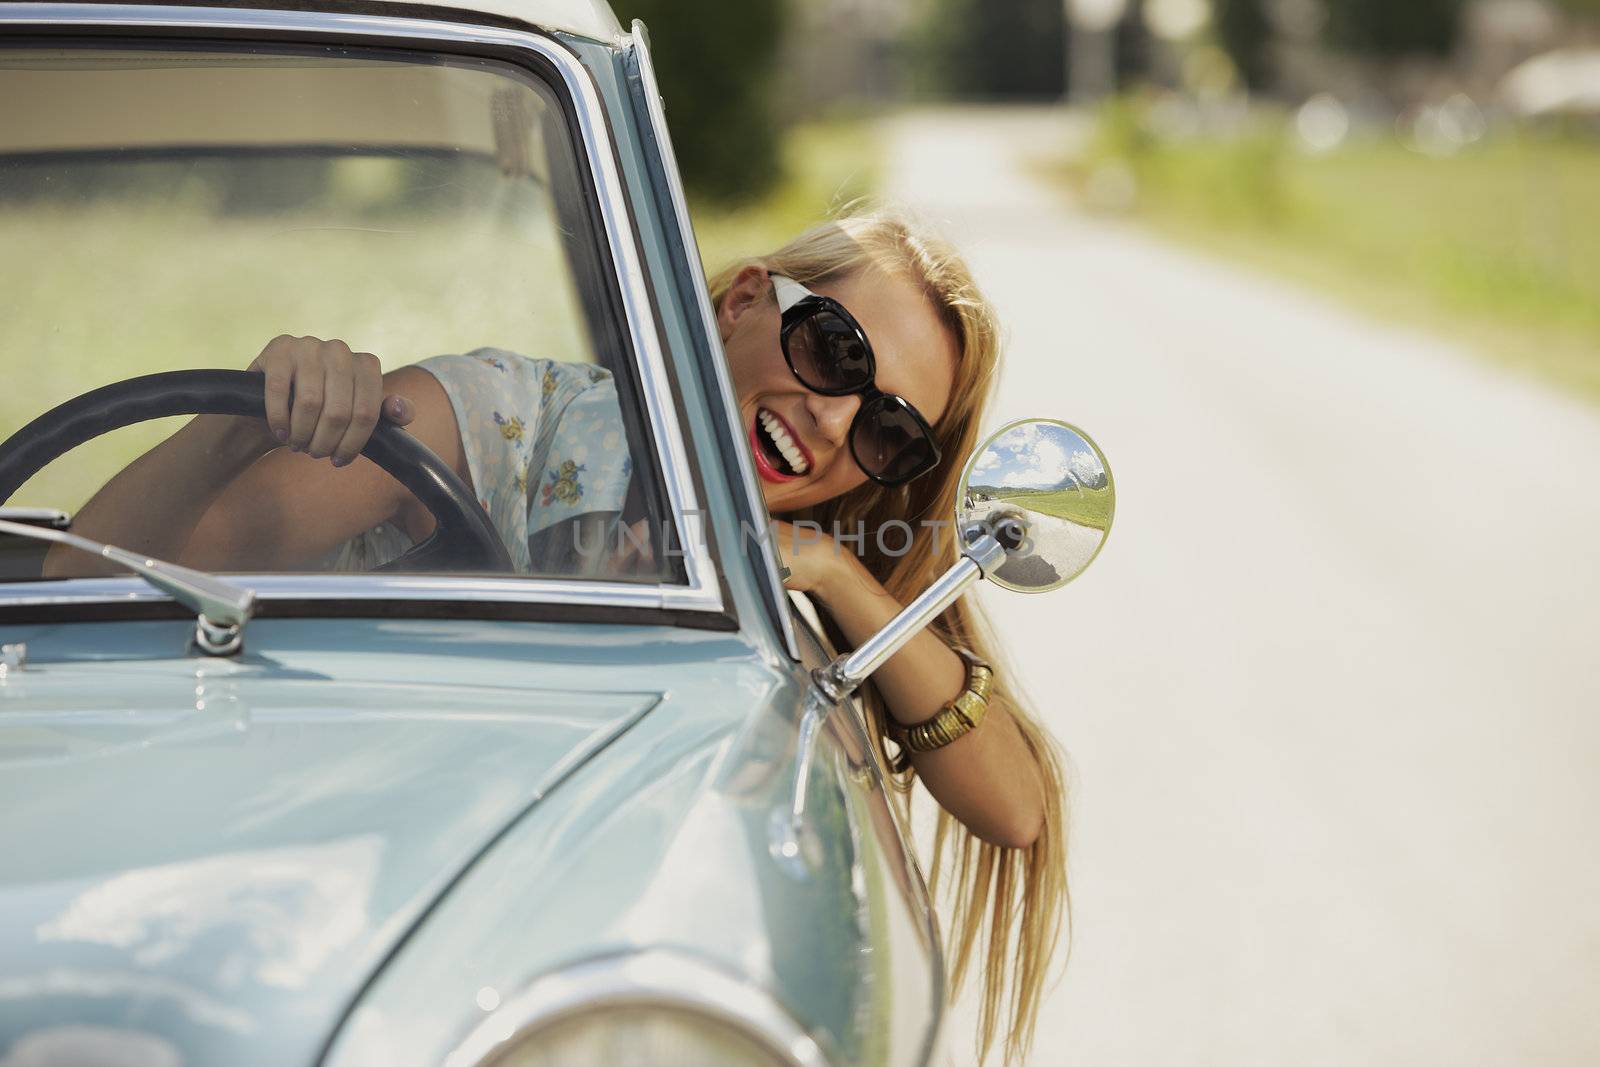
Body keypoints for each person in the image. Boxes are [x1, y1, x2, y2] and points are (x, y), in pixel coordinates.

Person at [52, 208, 1067, 1065]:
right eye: (835, 352)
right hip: (284, 861)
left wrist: (839, 573)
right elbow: (162, 583)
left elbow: (1016, 812)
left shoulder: (809, 569)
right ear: (744, 297)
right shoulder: (494, 418)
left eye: (888, 428)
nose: (838, 418)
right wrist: (248, 420)